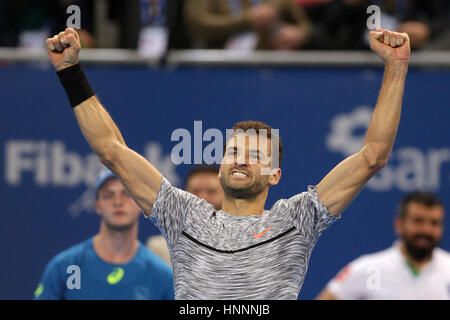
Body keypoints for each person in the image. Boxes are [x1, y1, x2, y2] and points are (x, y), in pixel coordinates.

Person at [45, 27, 410, 299]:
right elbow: (111, 150)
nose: (240, 161)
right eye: (233, 153)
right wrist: (70, 72)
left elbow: (372, 156)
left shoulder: (296, 219)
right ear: (219, 166)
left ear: (274, 175)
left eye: (255, 156)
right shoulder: (183, 213)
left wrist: (396, 67)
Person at [33, 168, 174, 300]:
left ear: (140, 203)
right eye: (108, 195)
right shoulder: (64, 267)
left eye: (127, 194)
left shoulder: (162, 276)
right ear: (97, 206)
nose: (118, 202)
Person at [317, 192, 450, 300]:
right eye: (418, 221)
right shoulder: (369, 269)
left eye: (434, 223)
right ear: (399, 225)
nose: (426, 230)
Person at [146, 165, 224, 266]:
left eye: (211, 191)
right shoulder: (159, 249)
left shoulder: (240, 246)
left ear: (226, 196)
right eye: (196, 191)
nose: (203, 198)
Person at [184, 0, 312, 50]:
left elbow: (305, 25)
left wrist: (299, 34)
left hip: (267, 68)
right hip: (220, 68)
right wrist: (246, 20)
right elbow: (196, 24)